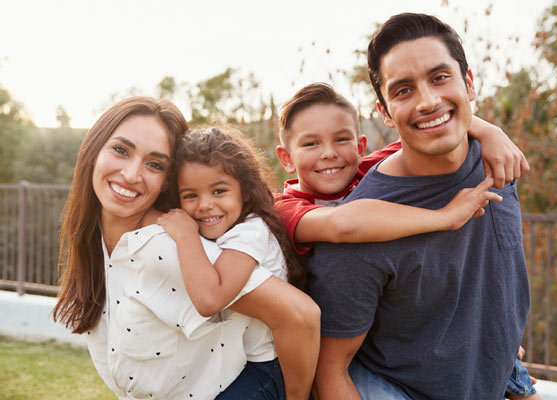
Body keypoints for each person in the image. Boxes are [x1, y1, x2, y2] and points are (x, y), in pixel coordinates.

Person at [304, 14, 531, 399]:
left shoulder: (498, 162)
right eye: (404, 90)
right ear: (385, 112)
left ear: (469, 83)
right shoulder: (362, 229)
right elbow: (330, 373)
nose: (428, 101)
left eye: (440, 77)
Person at [52, 97, 319, 400]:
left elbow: (299, 316)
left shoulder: (168, 247)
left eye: (154, 164)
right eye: (120, 150)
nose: (130, 174)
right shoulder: (99, 239)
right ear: (92, 150)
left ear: (166, 182)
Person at [157, 126, 319, 399]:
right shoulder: (225, 229)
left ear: (244, 191)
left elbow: (211, 299)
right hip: (238, 362)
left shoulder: (250, 231)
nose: (205, 204)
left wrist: (185, 235)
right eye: (190, 195)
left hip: (268, 367)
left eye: (219, 191)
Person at [275, 82, 524, 256]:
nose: (329, 153)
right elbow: (342, 224)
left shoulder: (367, 169)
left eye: (341, 139)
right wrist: (446, 217)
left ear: (360, 147)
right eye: (310, 144)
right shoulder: (283, 208)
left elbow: (431, 130)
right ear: (286, 159)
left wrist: (491, 132)